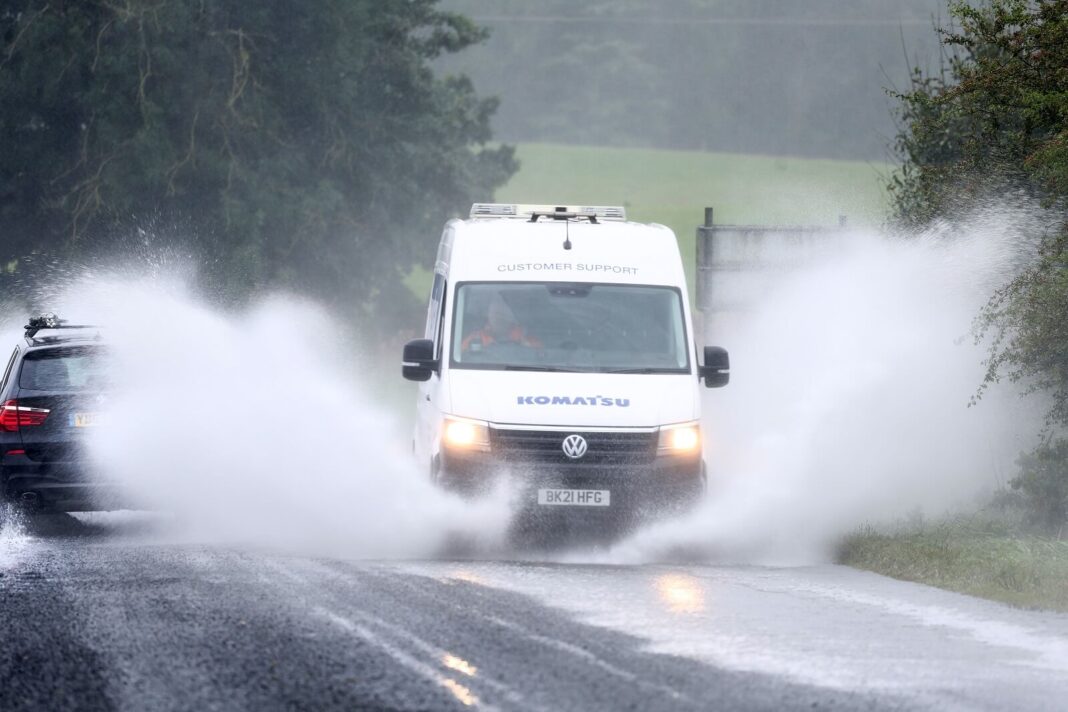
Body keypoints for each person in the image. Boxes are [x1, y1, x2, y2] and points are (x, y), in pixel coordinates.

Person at [462, 293, 542, 352]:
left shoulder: (524, 336)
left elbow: (540, 354)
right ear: (489, 318)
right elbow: (461, 356)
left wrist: (523, 343)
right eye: (495, 316)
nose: (499, 319)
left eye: (503, 316)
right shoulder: (476, 338)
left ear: (512, 319)